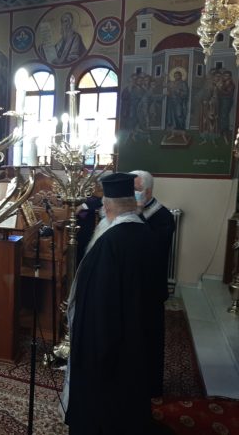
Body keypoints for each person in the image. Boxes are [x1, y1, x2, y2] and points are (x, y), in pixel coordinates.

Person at [63, 173, 158, 435]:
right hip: (136, 340)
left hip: (107, 348)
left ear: (106, 206)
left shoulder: (109, 242)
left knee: (103, 410)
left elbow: (99, 305)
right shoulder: (145, 233)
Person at [131, 169, 176, 398]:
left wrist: (138, 214)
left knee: (150, 340)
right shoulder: (131, 212)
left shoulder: (163, 217)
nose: (132, 193)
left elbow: (153, 249)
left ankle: (150, 388)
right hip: (132, 287)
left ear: (148, 192)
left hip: (151, 289)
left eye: (136, 190)